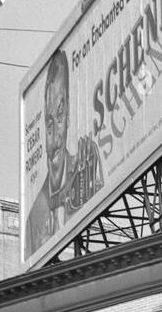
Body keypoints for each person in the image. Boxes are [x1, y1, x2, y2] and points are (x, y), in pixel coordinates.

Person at [25, 49, 104, 257]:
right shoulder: (34, 216)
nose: (56, 136)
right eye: (49, 121)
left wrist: (83, 213)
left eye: (60, 115)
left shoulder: (86, 170)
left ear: (68, 116)